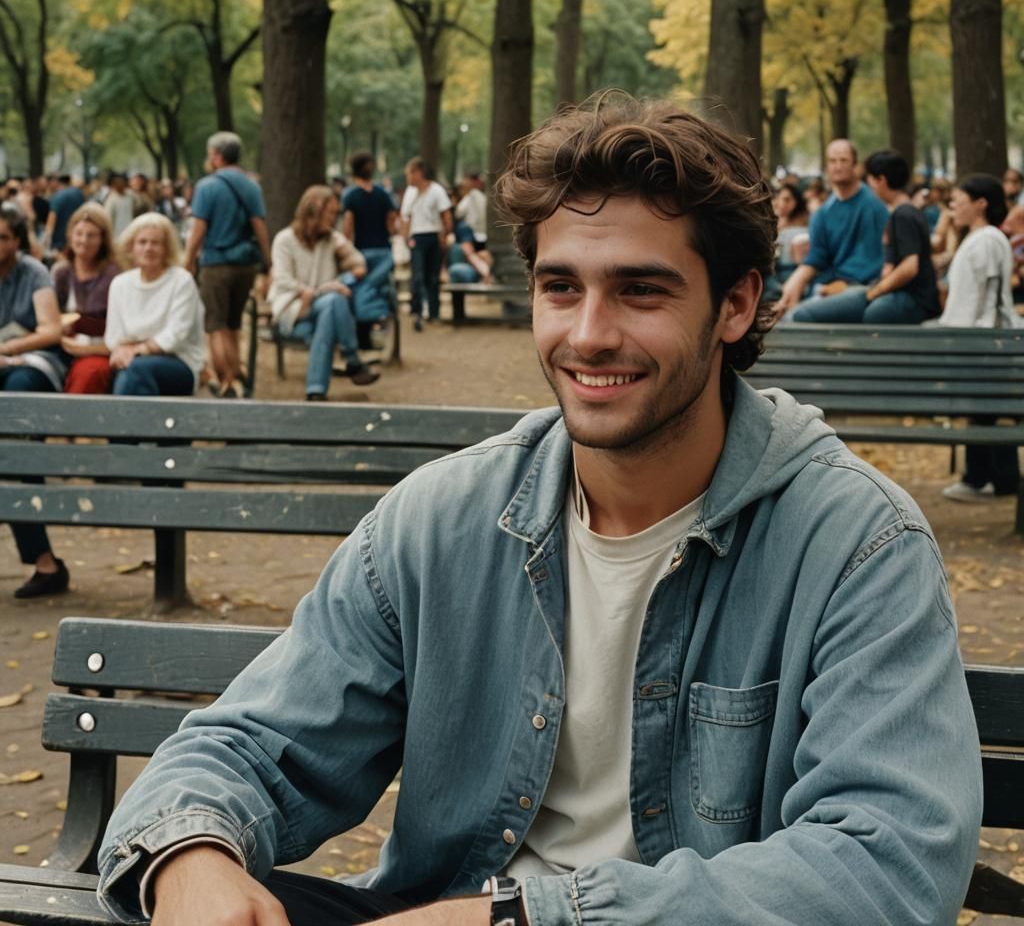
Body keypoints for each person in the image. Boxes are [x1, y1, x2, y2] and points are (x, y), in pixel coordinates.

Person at [97, 98, 981, 926]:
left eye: (642, 290)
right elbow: (249, 744)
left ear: (737, 304)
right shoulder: (439, 522)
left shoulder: (857, 545)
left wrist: (531, 917)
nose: (589, 333)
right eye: (561, 287)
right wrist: (191, 853)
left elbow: (888, 862)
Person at [933, 174, 1022, 503]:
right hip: (980, 337)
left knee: (984, 408)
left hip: (981, 338)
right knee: (986, 409)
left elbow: (987, 296)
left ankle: (983, 479)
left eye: (960, 200)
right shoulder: (982, 238)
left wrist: (975, 338)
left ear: (981, 203)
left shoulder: (985, 240)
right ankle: (992, 478)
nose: (954, 205)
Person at [0, 203, 69, 598]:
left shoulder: (35, 272)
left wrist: (8, 348)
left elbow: (50, 331)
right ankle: (44, 560)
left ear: (18, 240)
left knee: (15, 447)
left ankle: (44, 561)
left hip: (30, 366)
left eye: (4, 238)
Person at [268, 185, 380, 398]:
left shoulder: (330, 240)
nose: (334, 219)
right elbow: (282, 279)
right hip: (293, 315)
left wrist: (344, 259)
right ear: (315, 211)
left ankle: (316, 391)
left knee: (329, 315)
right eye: (331, 214)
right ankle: (353, 360)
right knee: (333, 301)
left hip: (321, 313)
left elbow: (359, 263)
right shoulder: (285, 240)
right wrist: (321, 290)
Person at [803, 150, 940, 324]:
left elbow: (910, 266)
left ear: (881, 180)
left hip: (914, 299)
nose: (867, 186)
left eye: (869, 180)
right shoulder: (903, 212)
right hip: (891, 291)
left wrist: (876, 292)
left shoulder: (903, 214)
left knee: (874, 313)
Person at [184, 131, 271, 398]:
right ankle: (237, 371)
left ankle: (227, 381)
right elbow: (259, 226)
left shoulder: (207, 187)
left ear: (216, 156)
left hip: (216, 264)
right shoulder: (252, 185)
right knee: (234, 323)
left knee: (215, 325)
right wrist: (266, 261)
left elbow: (199, 229)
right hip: (245, 265)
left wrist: (188, 262)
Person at [773, 139, 887, 321]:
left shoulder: (874, 206)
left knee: (799, 316)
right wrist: (793, 285)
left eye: (843, 160)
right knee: (785, 311)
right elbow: (816, 258)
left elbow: (878, 261)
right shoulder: (822, 213)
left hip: (863, 288)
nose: (838, 166)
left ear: (856, 166)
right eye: (833, 161)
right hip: (829, 286)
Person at [105, 213, 205, 396]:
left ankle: (123, 424)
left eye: (156, 243)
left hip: (179, 363)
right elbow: (113, 337)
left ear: (167, 248)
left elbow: (175, 336)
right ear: (131, 247)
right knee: (125, 374)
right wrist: (124, 350)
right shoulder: (120, 284)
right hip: (132, 361)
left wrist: (137, 349)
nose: (148, 248)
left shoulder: (181, 280)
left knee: (135, 371)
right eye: (142, 242)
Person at [53, 203, 121, 393]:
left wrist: (81, 325)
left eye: (91, 235)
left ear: (103, 239)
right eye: (79, 233)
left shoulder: (114, 275)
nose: (84, 240)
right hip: (62, 345)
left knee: (88, 375)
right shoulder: (61, 272)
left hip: (99, 348)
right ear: (70, 235)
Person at [341, 152, 398, 342]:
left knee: (360, 288)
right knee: (379, 288)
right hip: (383, 251)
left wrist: (346, 250)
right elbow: (391, 223)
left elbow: (348, 227)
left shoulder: (349, 195)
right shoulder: (382, 194)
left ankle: (362, 334)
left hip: (361, 252)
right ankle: (379, 320)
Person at [400, 157, 452, 330]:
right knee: (418, 275)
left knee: (433, 276)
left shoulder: (436, 190)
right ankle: (418, 311)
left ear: (418, 173)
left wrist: (445, 235)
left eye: (410, 173)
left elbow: (446, 215)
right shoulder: (410, 193)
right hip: (417, 237)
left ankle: (434, 312)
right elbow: (405, 217)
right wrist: (406, 238)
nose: (408, 177)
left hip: (433, 236)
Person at [43, 174, 86, 254]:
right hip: (77, 239)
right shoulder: (79, 193)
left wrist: (45, 245)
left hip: (60, 243)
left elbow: (51, 221)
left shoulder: (57, 196)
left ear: (58, 182)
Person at [103, 171, 135, 239]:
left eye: (122, 182)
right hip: (116, 233)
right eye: (117, 183)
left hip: (130, 229)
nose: (120, 184)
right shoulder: (111, 199)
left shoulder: (130, 196)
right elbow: (108, 217)